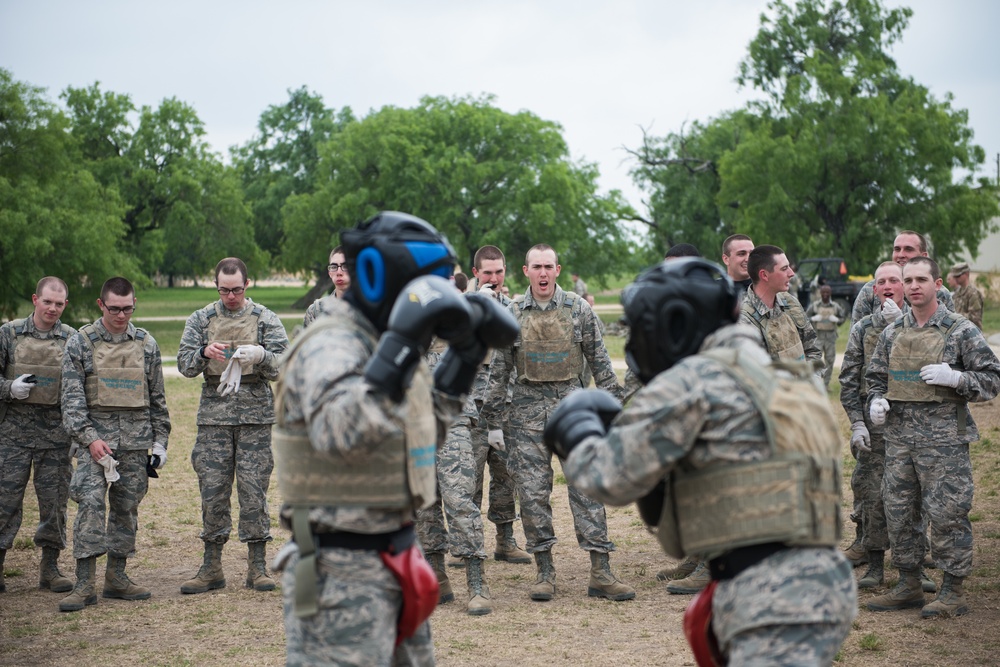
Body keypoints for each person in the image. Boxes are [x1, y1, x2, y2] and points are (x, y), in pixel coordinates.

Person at [545, 258, 856, 665]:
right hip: (821, 580)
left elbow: (607, 479)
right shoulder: (785, 375)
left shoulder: (694, 381)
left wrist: (578, 428)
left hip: (769, 593)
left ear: (675, 324)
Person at [272, 211, 517, 664]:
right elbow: (340, 434)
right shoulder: (333, 344)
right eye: (431, 282)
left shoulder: (386, 343)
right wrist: (403, 343)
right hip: (340, 569)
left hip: (397, 555)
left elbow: (421, 436)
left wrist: (465, 360)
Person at [481, 244, 633, 603]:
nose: (544, 273)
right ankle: (544, 571)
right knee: (533, 497)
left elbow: (602, 366)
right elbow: (499, 373)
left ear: (558, 270)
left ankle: (601, 571)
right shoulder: (513, 315)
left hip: (574, 415)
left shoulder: (579, 310)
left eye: (549, 266)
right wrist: (494, 424)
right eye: (537, 267)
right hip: (525, 419)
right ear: (526, 271)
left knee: (587, 492)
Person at [865, 257, 1000, 618]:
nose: (913, 286)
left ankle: (952, 590)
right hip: (899, 442)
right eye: (907, 280)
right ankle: (909, 583)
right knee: (899, 512)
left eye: (921, 279)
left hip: (944, 444)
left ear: (937, 284)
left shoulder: (960, 330)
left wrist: (957, 379)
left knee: (947, 514)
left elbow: (992, 379)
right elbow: (875, 376)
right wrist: (876, 401)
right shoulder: (893, 332)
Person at [177, 257, 289, 595]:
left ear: (247, 285)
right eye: (225, 290)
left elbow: (285, 364)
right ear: (216, 287)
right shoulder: (202, 319)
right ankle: (212, 566)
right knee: (213, 491)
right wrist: (203, 352)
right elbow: (183, 364)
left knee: (254, 492)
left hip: (255, 418)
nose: (231, 296)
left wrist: (262, 356)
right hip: (214, 417)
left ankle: (257, 566)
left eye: (236, 289)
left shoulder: (265, 319)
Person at [58, 277, 171, 612]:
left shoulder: (146, 344)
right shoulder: (82, 343)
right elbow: (72, 402)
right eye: (114, 308)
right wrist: (90, 440)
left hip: (135, 444)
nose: (121, 315)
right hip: (96, 444)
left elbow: (158, 400)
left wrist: (160, 441)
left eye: (128, 308)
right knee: (90, 507)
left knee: (126, 510)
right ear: (101, 304)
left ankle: (117, 578)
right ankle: (83, 584)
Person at [0, 277, 76, 594]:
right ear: (35, 299)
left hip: (56, 437)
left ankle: (50, 568)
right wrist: (8, 388)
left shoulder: (72, 339)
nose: (52, 309)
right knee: (4, 502)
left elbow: (79, 391)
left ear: (65, 305)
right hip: (12, 436)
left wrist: (76, 433)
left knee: (54, 505)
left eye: (59, 304)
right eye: (47, 302)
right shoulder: (9, 334)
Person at [838, 262, 904, 587]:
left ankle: (913, 570)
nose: (888, 285)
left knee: (911, 494)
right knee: (871, 490)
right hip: (873, 423)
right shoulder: (863, 328)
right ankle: (875, 566)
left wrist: (903, 327)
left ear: (905, 286)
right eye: (882, 282)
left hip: (912, 421)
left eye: (895, 280)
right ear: (874, 290)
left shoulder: (926, 325)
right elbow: (848, 379)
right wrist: (856, 424)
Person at [467, 246, 531, 567]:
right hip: (472, 412)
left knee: (507, 478)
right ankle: (468, 544)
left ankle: (505, 541)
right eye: (487, 273)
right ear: (476, 273)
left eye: (499, 272)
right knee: (469, 480)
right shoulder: (462, 309)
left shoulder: (515, 309)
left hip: (505, 409)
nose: (494, 279)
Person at [739, 245, 823, 368]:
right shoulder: (744, 321)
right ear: (764, 275)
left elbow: (813, 351)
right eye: (784, 269)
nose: (791, 273)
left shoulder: (790, 302)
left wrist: (809, 382)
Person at [851, 231, 954, 325]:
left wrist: (902, 321)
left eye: (908, 249)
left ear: (924, 256)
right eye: (897, 249)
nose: (901, 255)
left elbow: (950, 335)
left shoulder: (938, 292)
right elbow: (856, 335)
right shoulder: (871, 291)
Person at [805, 284, 847, 388]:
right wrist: (813, 318)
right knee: (816, 361)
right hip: (817, 337)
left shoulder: (835, 307)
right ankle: (816, 384)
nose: (825, 294)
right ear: (820, 293)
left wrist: (837, 320)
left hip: (830, 337)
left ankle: (826, 385)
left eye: (827, 292)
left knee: (830, 361)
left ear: (830, 293)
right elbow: (805, 317)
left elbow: (843, 317)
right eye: (823, 292)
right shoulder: (815, 306)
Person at [302, 246, 351, 328]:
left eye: (345, 266)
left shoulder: (369, 308)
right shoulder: (316, 310)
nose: (339, 272)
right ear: (330, 273)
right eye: (334, 267)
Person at [951, 262, 984, 330]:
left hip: (972, 334)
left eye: (958, 276)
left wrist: (955, 316)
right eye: (954, 276)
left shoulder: (973, 293)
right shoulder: (957, 292)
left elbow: (975, 317)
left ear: (966, 274)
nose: (956, 278)